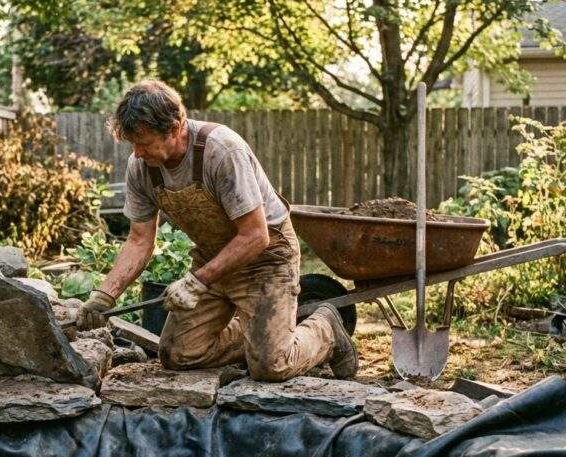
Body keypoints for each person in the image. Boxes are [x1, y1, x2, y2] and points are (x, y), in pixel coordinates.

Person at [76, 80, 358, 381]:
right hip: (213, 261)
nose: (137, 152)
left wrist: (198, 281)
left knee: (271, 365)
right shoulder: (141, 167)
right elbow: (139, 240)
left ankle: (325, 328)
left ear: (175, 127)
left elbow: (256, 235)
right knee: (177, 353)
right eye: (133, 143)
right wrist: (104, 296)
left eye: (144, 142)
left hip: (266, 262)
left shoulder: (221, 151)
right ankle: (260, 337)